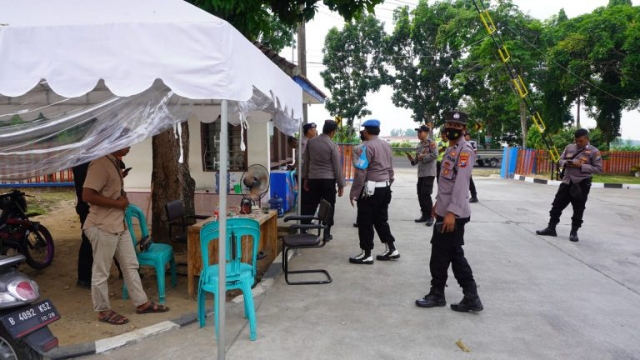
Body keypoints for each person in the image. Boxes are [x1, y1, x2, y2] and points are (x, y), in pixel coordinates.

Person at [83, 146, 169, 325]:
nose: (130, 145)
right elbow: (87, 195)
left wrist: (119, 181)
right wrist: (117, 203)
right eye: (127, 140)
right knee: (101, 271)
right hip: (102, 225)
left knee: (130, 265)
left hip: (118, 224)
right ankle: (103, 310)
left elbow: (106, 187)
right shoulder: (99, 164)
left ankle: (141, 303)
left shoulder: (113, 161)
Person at [415, 111, 483, 312]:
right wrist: (438, 205)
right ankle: (470, 297)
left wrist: (451, 212)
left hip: (455, 214)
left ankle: (438, 294)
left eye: (457, 125)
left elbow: (461, 185)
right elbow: (446, 183)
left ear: (464, 129)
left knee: (441, 254)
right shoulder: (451, 148)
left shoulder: (464, 151)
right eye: (449, 124)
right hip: (446, 210)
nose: (452, 128)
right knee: (452, 254)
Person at [536, 128, 602, 242]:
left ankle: (574, 232)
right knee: (556, 205)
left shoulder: (594, 152)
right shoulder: (569, 147)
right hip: (567, 181)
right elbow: (560, 160)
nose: (578, 143)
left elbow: (599, 169)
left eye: (580, 141)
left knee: (578, 208)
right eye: (576, 140)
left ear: (587, 139)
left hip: (581, 184)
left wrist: (581, 166)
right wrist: (566, 163)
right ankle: (551, 228)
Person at [349, 119, 399, 264]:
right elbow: (390, 168)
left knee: (365, 222)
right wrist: (388, 184)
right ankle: (391, 248)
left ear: (366, 131)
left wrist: (354, 192)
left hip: (370, 190)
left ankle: (367, 254)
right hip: (385, 188)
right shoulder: (386, 145)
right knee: (381, 220)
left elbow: (361, 171)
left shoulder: (367, 147)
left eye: (364, 130)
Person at [302, 120, 345, 241]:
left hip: (314, 179)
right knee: (329, 206)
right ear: (332, 132)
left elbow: (307, 162)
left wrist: (306, 179)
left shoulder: (311, 143)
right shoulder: (332, 145)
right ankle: (326, 233)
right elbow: (337, 167)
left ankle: (303, 228)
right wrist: (341, 185)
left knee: (311, 204)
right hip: (328, 181)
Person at [406, 124, 438, 226]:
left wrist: (423, 157)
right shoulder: (419, 145)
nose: (418, 134)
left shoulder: (431, 143)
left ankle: (430, 216)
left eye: (420, 132)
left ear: (426, 132)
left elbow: (435, 155)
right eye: (418, 132)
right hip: (421, 173)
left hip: (429, 173)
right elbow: (416, 160)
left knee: (426, 194)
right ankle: (424, 214)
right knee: (420, 194)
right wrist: (412, 159)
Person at [73, 162, 93, 289]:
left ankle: (124, 272)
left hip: (91, 206)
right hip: (88, 207)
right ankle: (84, 277)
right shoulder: (83, 163)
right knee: (88, 239)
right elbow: (86, 192)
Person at [351, 130, 367, 228]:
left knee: (361, 202)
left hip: (361, 178)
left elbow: (356, 164)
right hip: (375, 180)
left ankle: (360, 221)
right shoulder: (379, 146)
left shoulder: (357, 148)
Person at [464, 132, 479, 203]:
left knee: (469, 181)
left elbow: (473, 155)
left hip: (468, 164)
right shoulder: (464, 144)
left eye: (466, 136)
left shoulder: (470, 144)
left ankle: (474, 196)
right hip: (465, 165)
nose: (464, 137)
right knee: (467, 181)